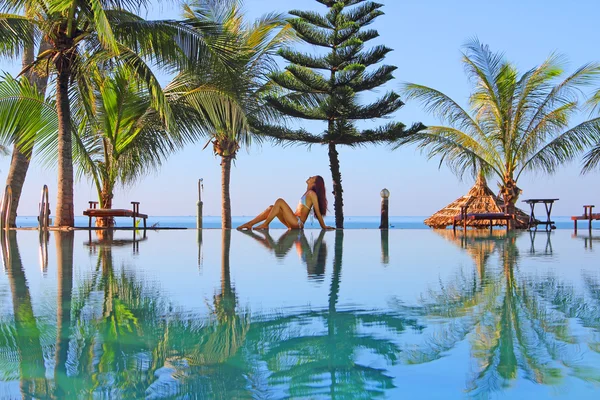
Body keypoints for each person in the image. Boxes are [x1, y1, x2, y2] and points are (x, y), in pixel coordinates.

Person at [237, 175, 335, 230]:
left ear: (314, 183)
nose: (309, 177)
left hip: (298, 223)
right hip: (293, 221)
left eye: (312, 178)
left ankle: (265, 224)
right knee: (272, 207)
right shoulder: (307, 193)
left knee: (280, 201)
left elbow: (317, 211)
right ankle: (250, 224)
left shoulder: (312, 194)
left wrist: (324, 226)